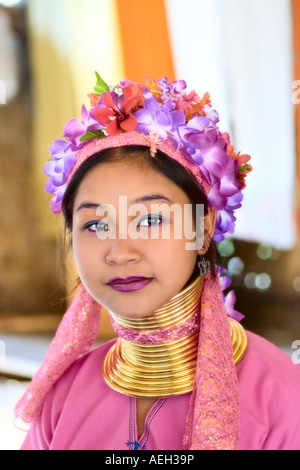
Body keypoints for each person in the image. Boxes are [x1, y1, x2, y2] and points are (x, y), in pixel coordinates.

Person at [15, 74, 300, 450]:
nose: (119, 252)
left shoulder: (282, 398)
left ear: (203, 228)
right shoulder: (64, 396)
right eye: (96, 224)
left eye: (150, 219)